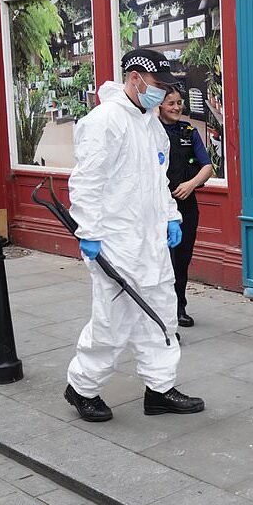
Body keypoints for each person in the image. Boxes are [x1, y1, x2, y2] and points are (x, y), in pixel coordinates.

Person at [64, 49, 205, 422]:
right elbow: (86, 182)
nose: (162, 93)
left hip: (150, 239)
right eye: (159, 86)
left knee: (160, 314)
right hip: (115, 240)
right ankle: (82, 386)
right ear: (135, 78)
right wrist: (90, 233)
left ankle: (159, 388)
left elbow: (158, 179)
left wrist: (171, 216)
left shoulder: (150, 123)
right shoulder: (104, 121)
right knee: (113, 321)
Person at [158, 87, 214, 328]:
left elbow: (207, 167)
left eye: (179, 102)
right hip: (157, 206)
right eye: (171, 103)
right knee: (161, 261)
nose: (177, 107)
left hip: (186, 206)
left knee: (181, 259)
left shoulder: (188, 131)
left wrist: (191, 185)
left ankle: (179, 307)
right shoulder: (151, 131)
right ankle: (161, 310)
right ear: (160, 106)